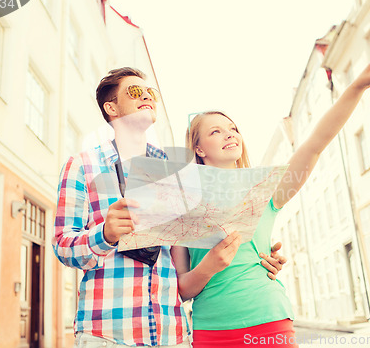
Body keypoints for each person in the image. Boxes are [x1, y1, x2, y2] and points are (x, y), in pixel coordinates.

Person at [171, 36, 370, 348]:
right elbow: (180, 290)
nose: (229, 134)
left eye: (233, 128)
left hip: (269, 321)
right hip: (211, 331)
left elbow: (316, 142)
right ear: (198, 148)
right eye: (215, 131)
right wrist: (209, 267)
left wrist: (358, 84)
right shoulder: (182, 205)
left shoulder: (265, 190)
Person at [52, 67, 285, 347]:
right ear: (111, 107)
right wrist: (105, 235)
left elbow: (203, 237)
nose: (147, 97)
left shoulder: (179, 172)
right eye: (135, 92)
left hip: (171, 334)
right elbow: (63, 247)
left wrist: (259, 254)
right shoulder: (82, 165)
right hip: (108, 333)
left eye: (150, 92)